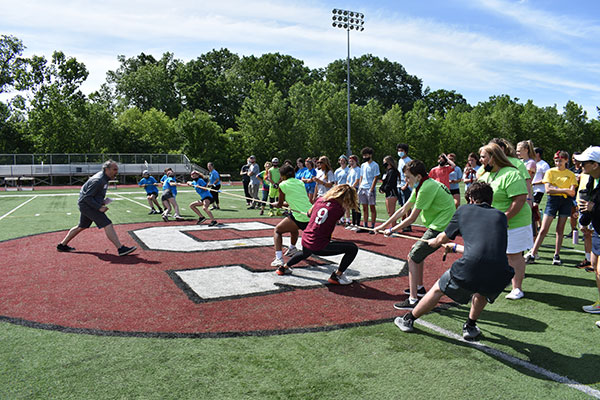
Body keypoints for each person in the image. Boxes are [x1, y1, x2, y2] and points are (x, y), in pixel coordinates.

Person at [394, 182, 515, 339]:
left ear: (471, 198)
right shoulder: (500, 216)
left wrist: (434, 242)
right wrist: (456, 247)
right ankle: (470, 326)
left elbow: (442, 238)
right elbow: (487, 250)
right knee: (483, 290)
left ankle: (408, 319)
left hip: (471, 266)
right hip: (501, 270)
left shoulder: (463, 210)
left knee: (438, 288)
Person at [375, 159, 455, 308]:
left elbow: (411, 217)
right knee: (418, 254)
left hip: (442, 227)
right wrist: (383, 226)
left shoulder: (426, 187)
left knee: (412, 256)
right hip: (441, 224)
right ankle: (419, 289)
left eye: (408, 177)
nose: (406, 180)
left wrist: (392, 230)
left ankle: (413, 300)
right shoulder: (422, 185)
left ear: (418, 176)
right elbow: (404, 209)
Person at [275, 184, 359, 286]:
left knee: (306, 252)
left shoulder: (320, 200)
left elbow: (309, 213)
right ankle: (337, 275)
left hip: (306, 238)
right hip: (319, 245)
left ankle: (284, 268)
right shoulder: (339, 209)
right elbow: (336, 219)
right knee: (352, 248)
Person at [478, 143, 532, 300]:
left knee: (514, 255)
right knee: (494, 254)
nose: (481, 160)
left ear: (493, 158)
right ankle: (496, 282)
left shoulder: (511, 174)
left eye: (483, 157)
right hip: (495, 223)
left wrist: (504, 218)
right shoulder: (487, 175)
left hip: (515, 223)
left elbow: (520, 199)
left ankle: (517, 288)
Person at [56, 160, 137, 256]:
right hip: (88, 206)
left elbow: (91, 195)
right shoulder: (98, 180)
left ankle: (62, 245)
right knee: (107, 224)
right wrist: (99, 207)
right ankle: (120, 248)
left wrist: (102, 201)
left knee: (81, 226)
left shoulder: (104, 178)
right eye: (114, 169)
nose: (116, 172)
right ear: (107, 169)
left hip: (87, 205)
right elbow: (87, 197)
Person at [524, 151, 578, 266]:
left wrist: (557, 188)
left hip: (566, 202)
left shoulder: (570, 174)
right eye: (556, 160)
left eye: (561, 161)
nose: (558, 163)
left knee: (560, 229)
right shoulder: (550, 172)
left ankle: (557, 255)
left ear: (566, 161)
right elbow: (548, 190)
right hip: (553, 200)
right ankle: (533, 253)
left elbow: (572, 192)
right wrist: (564, 190)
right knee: (543, 228)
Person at [270, 164, 313, 267]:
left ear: (282, 175)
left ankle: (279, 258)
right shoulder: (300, 182)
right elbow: (296, 200)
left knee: (277, 230)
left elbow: (280, 204)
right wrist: (284, 204)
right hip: (309, 214)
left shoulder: (282, 185)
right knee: (293, 228)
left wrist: (276, 205)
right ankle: (292, 248)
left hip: (300, 216)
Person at [574, 147, 600, 318]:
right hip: (597, 229)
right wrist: (585, 219)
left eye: (584, 162)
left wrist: (594, 207)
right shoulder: (591, 180)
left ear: (595, 164)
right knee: (596, 269)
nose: (580, 164)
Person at [357, 147, 380, 234]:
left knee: (372, 207)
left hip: (370, 188)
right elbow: (361, 176)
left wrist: (371, 188)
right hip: (363, 187)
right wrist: (359, 186)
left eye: (366, 155)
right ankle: (365, 225)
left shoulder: (375, 165)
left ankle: (373, 226)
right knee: (364, 208)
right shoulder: (363, 165)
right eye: (363, 155)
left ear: (370, 155)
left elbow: (375, 177)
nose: (364, 157)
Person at [532, 147, 551, 231]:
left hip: (539, 189)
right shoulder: (531, 163)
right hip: (531, 189)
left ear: (538, 154)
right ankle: (538, 224)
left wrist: (535, 183)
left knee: (535, 206)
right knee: (533, 207)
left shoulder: (544, 165)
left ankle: (540, 225)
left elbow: (545, 179)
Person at [397, 143, 413, 232]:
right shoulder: (400, 160)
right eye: (399, 150)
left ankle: (408, 224)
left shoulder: (408, 161)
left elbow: (409, 175)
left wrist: (406, 185)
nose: (400, 152)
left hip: (406, 185)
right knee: (402, 205)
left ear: (405, 151)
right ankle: (403, 221)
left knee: (407, 205)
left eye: (401, 151)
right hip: (399, 184)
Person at [379, 155, 399, 220]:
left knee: (391, 212)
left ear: (389, 162)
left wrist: (384, 189)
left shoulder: (392, 172)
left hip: (392, 193)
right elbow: (385, 182)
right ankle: (393, 226)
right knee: (389, 212)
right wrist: (381, 188)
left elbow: (390, 183)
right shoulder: (388, 172)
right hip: (388, 194)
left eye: (384, 162)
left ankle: (393, 227)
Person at [346, 155, 362, 230]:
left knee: (356, 206)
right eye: (350, 161)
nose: (351, 163)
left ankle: (357, 224)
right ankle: (353, 223)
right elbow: (348, 179)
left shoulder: (358, 169)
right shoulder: (350, 169)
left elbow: (357, 180)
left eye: (352, 161)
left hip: (355, 189)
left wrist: (352, 187)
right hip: (350, 189)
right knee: (352, 206)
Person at [334, 155, 351, 225]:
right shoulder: (337, 171)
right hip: (339, 188)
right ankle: (341, 219)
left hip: (346, 188)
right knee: (340, 204)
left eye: (343, 160)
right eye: (341, 160)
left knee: (346, 204)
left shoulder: (349, 170)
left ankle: (347, 220)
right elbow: (336, 181)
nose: (342, 162)